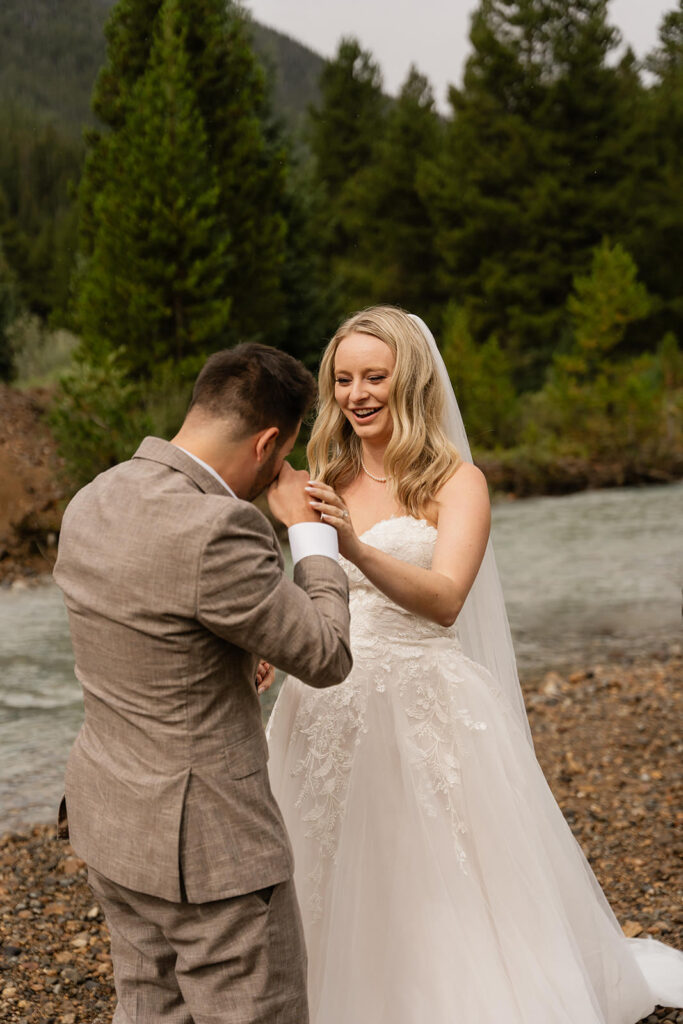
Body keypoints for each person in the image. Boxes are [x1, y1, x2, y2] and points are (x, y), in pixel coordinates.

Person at [266, 306, 683, 1024]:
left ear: (411, 380)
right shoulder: (321, 472)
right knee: (324, 855)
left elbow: (446, 599)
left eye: (374, 377)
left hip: (422, 694)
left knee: (428, 865)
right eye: (342, 379)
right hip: (325, 693)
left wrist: (357, 549)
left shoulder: (456, 483)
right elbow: (304, 585)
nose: (356, 394)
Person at [53, 343, 353, 1024]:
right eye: (281, 457)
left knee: (150, 1008)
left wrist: (235, 658)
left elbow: (142, 630)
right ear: (270, 442)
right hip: (209, 855)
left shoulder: (93, 496)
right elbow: (327, 654)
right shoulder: (221, 526)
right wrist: (307, 536)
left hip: (109, 823)